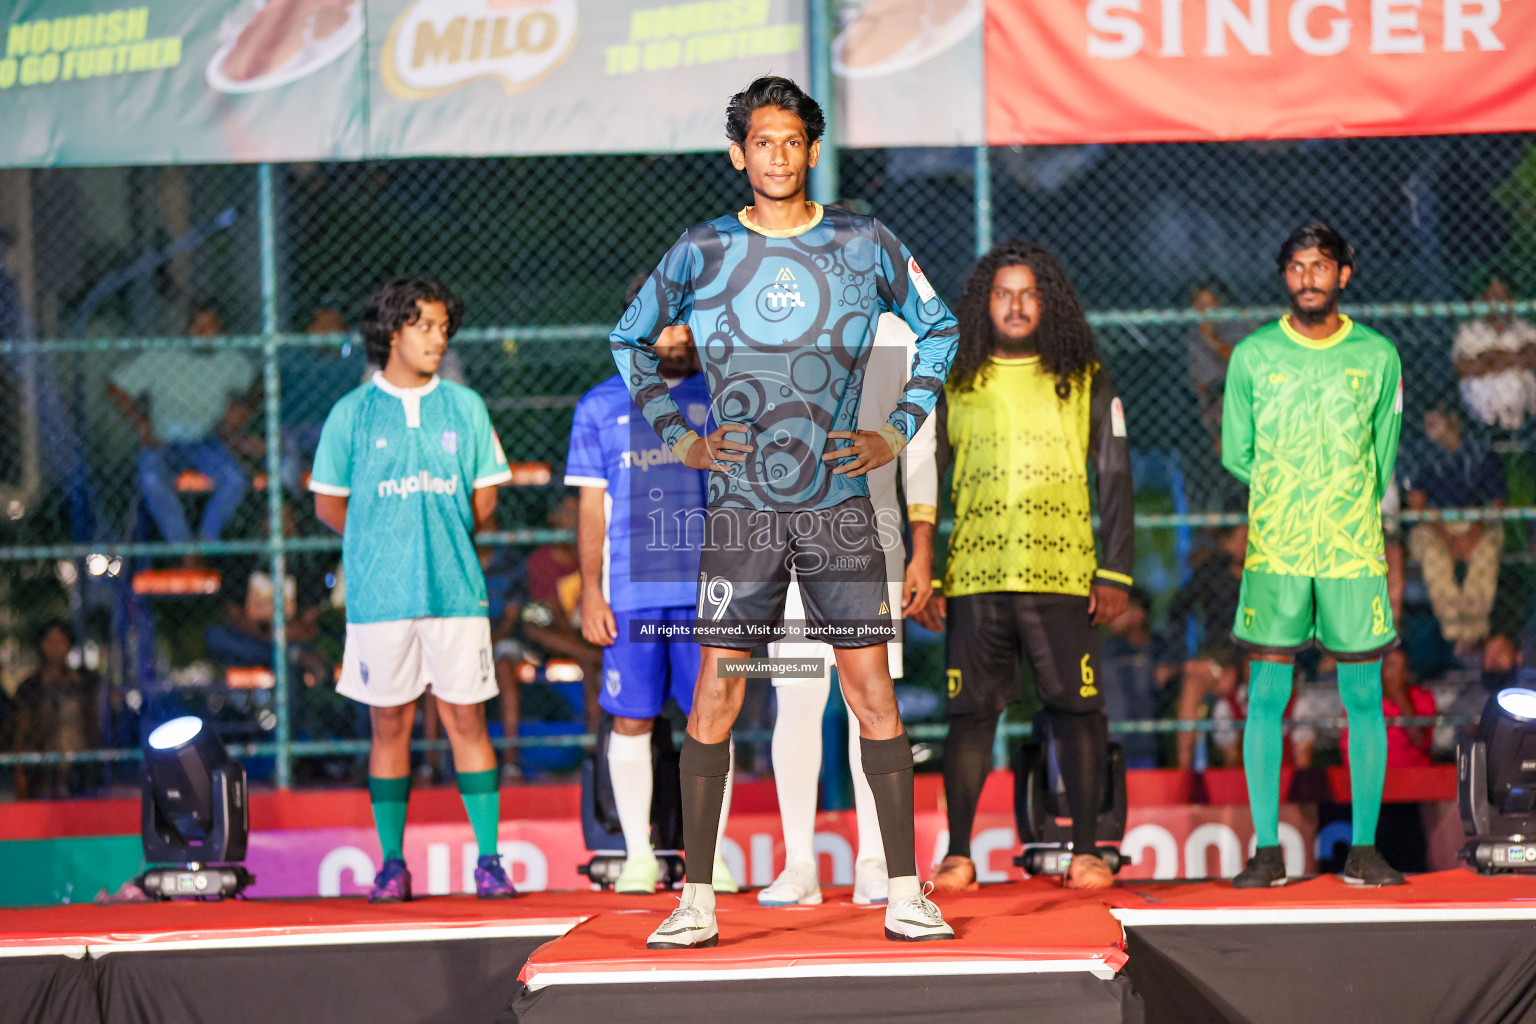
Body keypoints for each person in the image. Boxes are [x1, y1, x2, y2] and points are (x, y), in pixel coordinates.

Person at [612, 76, 959, 948]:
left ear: (812, 149)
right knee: (717, 701)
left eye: (791, 140)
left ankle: (905, 890)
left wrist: (895, 430)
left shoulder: (862, 240)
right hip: (741, 513)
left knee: (872, 695)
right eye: (760, 142)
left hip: (840, 505)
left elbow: (941, 327)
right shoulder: (702, 250)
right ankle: (695, 899)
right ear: (739, 154)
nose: (776, 155)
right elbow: (626, 339)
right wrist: (680, 437)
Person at [912, 240, 1134, 893]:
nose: (1015, 305)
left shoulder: (1084, 378)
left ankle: (1088, 852)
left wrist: (1115, 570)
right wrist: (919, 566)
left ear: (1049, 302)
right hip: (977, 578)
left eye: (1028, 293)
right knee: (971, 717)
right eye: (1002, 293)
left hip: (1062, 576)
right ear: (985, 303)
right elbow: (922, 473)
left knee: (1077, 710)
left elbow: (1115, 477)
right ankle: (958, 854)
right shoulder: (957, 379)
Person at [310, 276, 518, 901]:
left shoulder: (465, 406)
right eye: (424, 327)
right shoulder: (352, 412)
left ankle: (489, 862)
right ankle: (392, 864)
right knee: (389, 727)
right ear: (392, 332)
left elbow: (485, 500)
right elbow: (328, 504)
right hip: (380, 599)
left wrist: (439, 535)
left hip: (456, 592)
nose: (437, 339)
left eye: (442, 329)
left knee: (466, 721)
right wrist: (381, 540)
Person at [1223, 222, 1404, 888]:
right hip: (1277, 547)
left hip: (1353, 548)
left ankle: (1363, 849)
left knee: (1364, 693)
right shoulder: (1253, 355)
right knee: (1266, 694)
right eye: (1296, 266)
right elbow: (1235, 452)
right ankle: (1267, 852)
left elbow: (1382, 455)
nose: (1308, 276)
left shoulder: (1379, 356)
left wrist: (1343, 499)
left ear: (1343, 275)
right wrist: (1290, 494)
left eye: (1320, 265)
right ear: (1284, 277)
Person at [758, 296, 939, 908]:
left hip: (875, 540)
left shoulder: (899, 334)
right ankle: (799, 864)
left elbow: (920, 448)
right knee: (797, 698)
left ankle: (876, 861)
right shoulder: (781, 320)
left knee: (874, 704)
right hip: (789, 542)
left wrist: (921, 550)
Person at [566, 276, 738, 896]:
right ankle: (638, 855)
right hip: (632, 594)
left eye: (689, 321)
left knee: (712, 717)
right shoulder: (599, 405)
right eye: (667, 322)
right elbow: (592, 509)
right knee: (631, 721)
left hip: (709, 593)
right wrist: (591, 590)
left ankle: (708, 855)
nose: (680, 334)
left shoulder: (725, 397)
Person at [107, 307, 257, 554]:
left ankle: (206, 543)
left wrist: (243, 408)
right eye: (198, 327)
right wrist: (140, 422)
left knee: (235, 478)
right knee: (150, 478)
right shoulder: (163, 356)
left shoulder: (230, 359)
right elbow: (115, 386)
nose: (203, 334)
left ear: (222, 333)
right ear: (187, 330)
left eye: (210, 328)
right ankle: (183, 547)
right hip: (163, 442)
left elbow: (260, 383)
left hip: (206, 442)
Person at [1401, 406, 1506, 654]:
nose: (1429, 430)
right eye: (1426, 424)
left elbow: (1497, 503)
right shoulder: (1422, 455)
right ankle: (1454, 631)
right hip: (1433, 524)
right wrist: (1447, 537)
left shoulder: (1480, 452)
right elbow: (1418, 506)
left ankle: (1472, 632)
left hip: (1475, 521)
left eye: (1435, 422)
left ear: (1453, 420)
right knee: (1433, 555)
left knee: (1487, 550)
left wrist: (1473, 535)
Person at [11, 621, 103, 799]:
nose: (55, 648)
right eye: (50, 641)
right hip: (41, 770)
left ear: (69, 645)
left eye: (60, 641)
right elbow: (20, 731)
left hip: (80, 768)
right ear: (42, 645)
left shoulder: (84, 685)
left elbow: (94, 724)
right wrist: (20, 773)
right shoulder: (30, 688)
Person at [1100, 588, 1175, 769]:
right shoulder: (1101, 651)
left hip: (1149, 750)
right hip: (1108, 751)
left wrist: (1172, 671)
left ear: (1138, 614)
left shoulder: (1160, 648)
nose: (1111, 615)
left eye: (1119, 609)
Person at [1452, 273, 1536, 432]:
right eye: (1492, 296)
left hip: (1522, 408)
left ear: (1512, 300)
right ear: (1482, 300)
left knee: (1516, 380)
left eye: (1502, 296)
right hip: (1484, 403)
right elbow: (1463, 366)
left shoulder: (1523, 328)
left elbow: (1533, 357)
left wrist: (1492, 358)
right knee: (1475, 383)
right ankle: (1490, 429)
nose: (1497, 302)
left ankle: (1518, 429)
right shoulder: (1470, 330)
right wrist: (1515, 358)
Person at [1187, 279, 1249, 438]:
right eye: (1198, 304)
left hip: (1231, 395)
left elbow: (1245, 364)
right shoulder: (1191, 335)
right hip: (1200, 403)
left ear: (1219, 304)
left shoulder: (1238, 327)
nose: (1202, 310)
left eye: (1207, 303)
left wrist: (1212, 340)